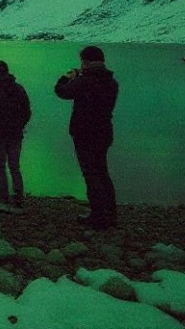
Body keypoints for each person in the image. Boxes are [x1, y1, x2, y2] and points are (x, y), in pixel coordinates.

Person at [54, 45, 119, 230]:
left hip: (84, 134)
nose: (80, 64)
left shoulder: (85, 81)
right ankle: (110, 214)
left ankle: (98, 215)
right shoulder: (111, 82)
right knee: (102, 172)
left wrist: (66, 78)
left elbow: (61, 91)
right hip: (104, 132)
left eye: (82, 61)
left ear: (86, 61)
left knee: (90, 174)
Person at [0, 60, 31, 212]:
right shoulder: (18, 88)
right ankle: (19, 198)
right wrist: (20, 124)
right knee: (15, 167)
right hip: (16, 133)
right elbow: (27, 111)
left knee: (0, 167)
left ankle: (4, 198)